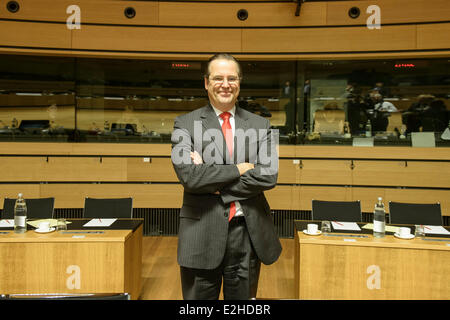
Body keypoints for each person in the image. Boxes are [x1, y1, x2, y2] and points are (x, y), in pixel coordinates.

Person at [171, 53, 282, 300]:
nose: (225, 84)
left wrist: (216, 184)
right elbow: (189, 177)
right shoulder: (184, 125)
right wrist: (240, 168)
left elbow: (268, 175)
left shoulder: (262, 126)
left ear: (239, 83)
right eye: (218, 78)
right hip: (201, 232)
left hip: (247, 234)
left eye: (232, 78)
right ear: (206, 83)